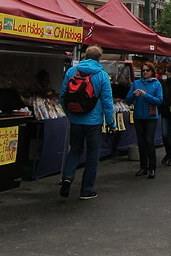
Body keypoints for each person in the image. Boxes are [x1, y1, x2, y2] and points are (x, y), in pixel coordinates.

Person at [59, 45, 115, 200]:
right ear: (99, 58)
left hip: (75, 119)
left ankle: (67, 177)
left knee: (75, 149)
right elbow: (107, 102)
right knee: (92, 155)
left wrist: (68, 113)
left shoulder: (72, 71)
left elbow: (63, 95)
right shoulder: (102, 75)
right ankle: (86, 190)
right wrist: (111, 123)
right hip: (94, 121)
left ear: (85, 56)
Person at [125, 61, 162, 178]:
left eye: (147, 70)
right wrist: (133, 95)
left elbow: (159, 101)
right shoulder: (136, 83)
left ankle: (152, 167)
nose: (145, 72)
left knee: (149, 141)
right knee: (140, 141)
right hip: (138, 116)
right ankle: (143, 166)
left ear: (152, 71)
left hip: (151, 116)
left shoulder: (157, 84)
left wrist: (145, 95)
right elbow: (128, 100)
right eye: (143, 70)